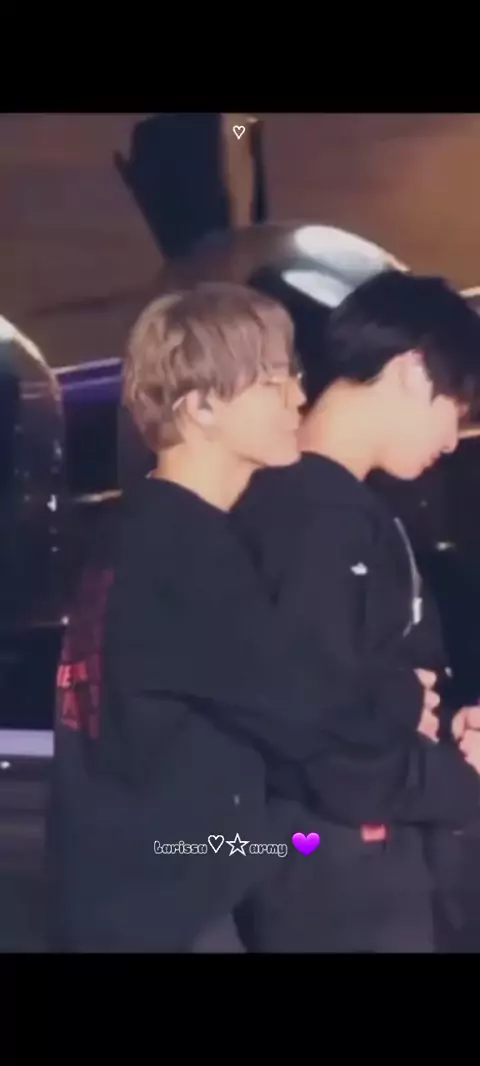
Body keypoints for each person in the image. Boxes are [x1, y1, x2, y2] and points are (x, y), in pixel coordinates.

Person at [48, 280, 480, 954]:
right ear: (202, 407)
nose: (298, 398)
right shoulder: (181, 550)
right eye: (274, 382)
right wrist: (403, 703)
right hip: (163, 903)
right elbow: (298, 705)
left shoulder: (150, 532)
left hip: (161, 883)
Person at [233, 270, 480, 952]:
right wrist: (462, 780)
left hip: (347, 865)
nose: (453, 438)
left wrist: (445, 726)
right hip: (337, 877)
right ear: (413, 371)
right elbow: (326, 740)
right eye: (457, 406)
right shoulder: (315, 518)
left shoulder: (333, 510)